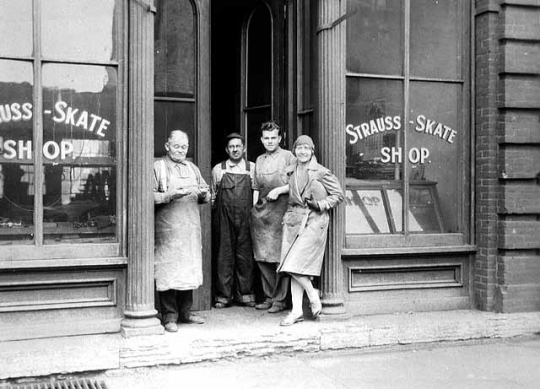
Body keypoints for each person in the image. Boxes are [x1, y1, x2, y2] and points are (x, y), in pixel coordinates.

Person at [277, 135, 344, 326]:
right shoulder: (291, 171)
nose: (303, 152)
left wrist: (321, 204)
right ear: (294, 151)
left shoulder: (321, 172)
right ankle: (297, 310)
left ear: (312, 151)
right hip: (294, 220)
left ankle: (313, 295)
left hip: (315, 221)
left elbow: (339, 195)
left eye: (307, 148)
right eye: (299, 148)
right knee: (293, 266)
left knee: (292, 264)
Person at [153, 130, 209, 332]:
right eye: (176, 146)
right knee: (168, 272)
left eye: (184, 147)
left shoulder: (192, 168)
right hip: (168, 230)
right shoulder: (158, 168)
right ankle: (169, 317)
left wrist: (205, 194)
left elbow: (205, 193)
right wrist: (169, 195)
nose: (180, 150)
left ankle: (186, 312)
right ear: (167, 146)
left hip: (189, 230)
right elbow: (147, 197)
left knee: (188, 270)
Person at [250, 121, 295, 313]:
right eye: (266, 138)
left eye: (273, 138)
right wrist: (254, 210)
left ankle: (280, 300)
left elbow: (298, 183)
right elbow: (255, 188)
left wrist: (279, 190)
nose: (270, 141)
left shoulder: (288, 157)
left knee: (279, 257)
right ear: (261, 139)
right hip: (261, 215)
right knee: (262, 257)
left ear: (280, 138)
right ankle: (269, 296)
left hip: (281, 212)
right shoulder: (259, 159)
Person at [211, 132, 256, 308]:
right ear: (226, 149)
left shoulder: (251, 168)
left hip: (247, 217)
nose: (235, 150)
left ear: (243, 148)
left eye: (238, 146)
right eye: (231, 147)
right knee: (224, 255)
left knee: (245, 256)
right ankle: (223, 296)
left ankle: (246, 295)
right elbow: (213, 195)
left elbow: (257, 192)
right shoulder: (218, 169)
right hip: (224, 217)